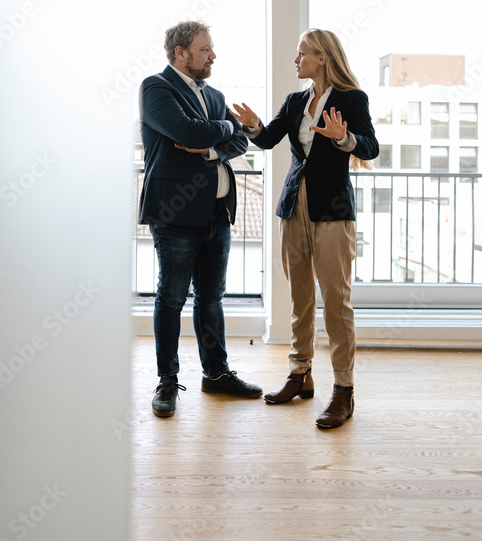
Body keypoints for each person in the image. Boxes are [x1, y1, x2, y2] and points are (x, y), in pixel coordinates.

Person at [231, 28, 378, 429]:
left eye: (302, 55)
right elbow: (268, 140)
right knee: (299, 296)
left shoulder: (351, 99)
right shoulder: (296, 100)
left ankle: (343, 390)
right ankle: (300, 375)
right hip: (294, 205)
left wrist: (343, 137)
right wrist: (253, 127)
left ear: (323, 57)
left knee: (335, 299)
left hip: (333, 210)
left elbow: (370, 147)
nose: (297, 61)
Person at [139, 21, 263, 418]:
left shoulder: (215, 94)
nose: (213, 56)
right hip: (175, 212)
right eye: (205, 49)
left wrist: (212, 150)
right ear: (180, 53)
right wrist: (226, 126)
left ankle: (216, 373)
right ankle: (167, 381)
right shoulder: (156, 87)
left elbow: (239, 141)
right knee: (172, 299)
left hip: (217, 213)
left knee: (211, 298)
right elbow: (185, 131)